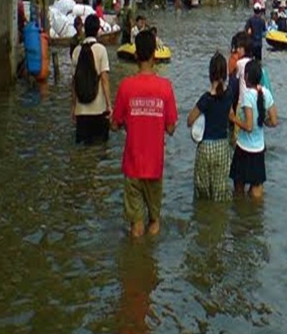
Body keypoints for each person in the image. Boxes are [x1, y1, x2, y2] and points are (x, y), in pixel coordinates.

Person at [111, 31, 178, 238]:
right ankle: (150, 264)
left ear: (136, 55)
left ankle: (136, 262)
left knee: (136, 226)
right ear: (154, 55)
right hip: (154, 165)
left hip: (132, 164)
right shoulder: (165, 88)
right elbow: (171, 128)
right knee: (155, 221)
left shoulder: (125, 87)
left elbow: (114, 125)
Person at [187, 53, 233, 202]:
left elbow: (189, 121)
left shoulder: (205, 99)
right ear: (225, 74)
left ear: (210, 74)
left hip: (205, 147)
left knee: (202, 194)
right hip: (222, 147)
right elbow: (230, 115)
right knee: (220, 193)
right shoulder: (229, 95)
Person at [229, 59, 278, 199]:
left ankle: (241, 217)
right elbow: (274, 121)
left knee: (238, 190)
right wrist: (262, 121)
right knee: (257, 193)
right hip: (259, 150)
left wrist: (234, 119)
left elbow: (249, 127)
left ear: (247, 77)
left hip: (244, 148)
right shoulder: (266, 93)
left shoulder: (247, 96)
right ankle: (255, 218)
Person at [71, 14, 112, 144]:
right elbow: (104, 80)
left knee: (82, 151)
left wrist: (73, 107)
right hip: (99, 110)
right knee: (99, 150)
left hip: (81, 110)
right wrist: (109, 105)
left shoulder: (77, 51)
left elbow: (74, 83)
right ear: (98, 30)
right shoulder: (101, 50)